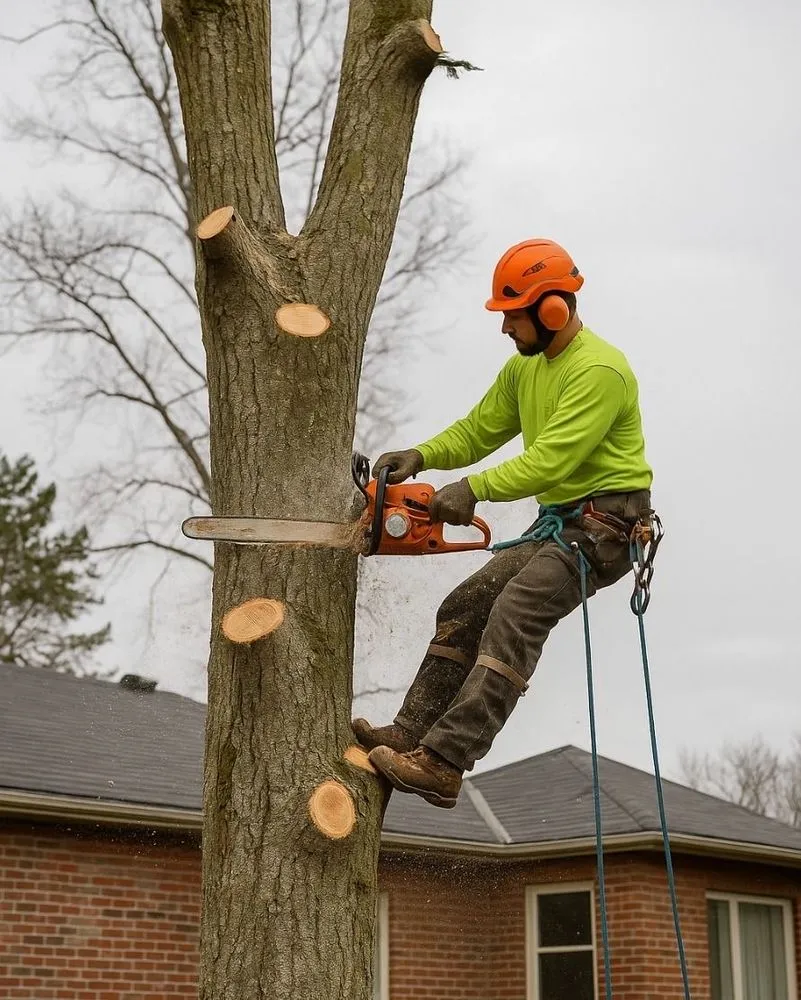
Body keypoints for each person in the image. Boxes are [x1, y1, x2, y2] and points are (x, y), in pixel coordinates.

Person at [353, 238, 654, 809]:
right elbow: (480, 428)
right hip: (562, 522)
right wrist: (422, 456)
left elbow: (551, 462)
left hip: (606, 528)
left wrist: (472, 490)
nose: (504, 329)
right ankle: (411, 734)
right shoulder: (525, 369)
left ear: (552, 309)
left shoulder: (600, 371)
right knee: (466, 605)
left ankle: (445, 763)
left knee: (515, 613)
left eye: (512, 316)